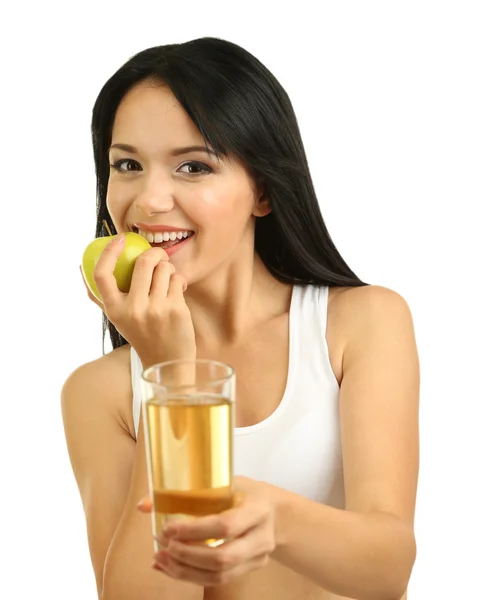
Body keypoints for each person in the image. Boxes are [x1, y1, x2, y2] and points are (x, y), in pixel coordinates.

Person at [61, 36, 420, 600]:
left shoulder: (360, 325)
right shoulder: (98, 392)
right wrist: (172, 377)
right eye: (127, 164)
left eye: (193, 166)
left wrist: (273, 519)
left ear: (263, 191)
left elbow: (388, 571)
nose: (149, 200)